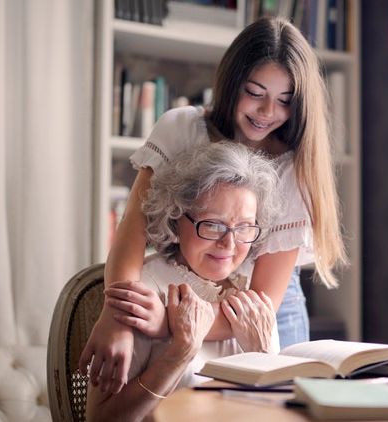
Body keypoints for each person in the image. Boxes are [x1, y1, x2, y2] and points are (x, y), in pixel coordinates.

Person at [79, 16, 348, 394]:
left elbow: (263, 301)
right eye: (255, 92)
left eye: (285, 101)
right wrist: (117, 317)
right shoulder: (181, 129)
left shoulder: (293, 168)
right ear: (231, 83)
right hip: (183, 286)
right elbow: (131, 236)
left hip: (264, 308)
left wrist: (166, 323)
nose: (267, 112)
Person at [86, 142, 280, 421]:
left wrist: (262, 355)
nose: (229, 243)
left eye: (244, 227)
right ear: (176, 218)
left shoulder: (252, 301)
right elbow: (100, 418)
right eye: (213, 224)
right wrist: (178, 355)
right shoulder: (144, 291)